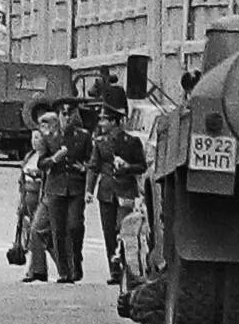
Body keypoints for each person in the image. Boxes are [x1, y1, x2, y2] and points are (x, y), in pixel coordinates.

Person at [88, 96, 148, 286]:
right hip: (106, 192)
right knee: (108, 232)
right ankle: (114, 271)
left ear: (115, 121)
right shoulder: (100, 142)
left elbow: (142, 166)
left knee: (122, 230)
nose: (101, 123)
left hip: (125, 191)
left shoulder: (131, 141)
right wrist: (89, 190)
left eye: (105, 119)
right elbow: (94, 166)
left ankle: (126, 268)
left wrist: (127, 168)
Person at [37, 98, 92, 283]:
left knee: (75, 225)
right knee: (57, 230)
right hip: (55, 188)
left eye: (70, 113)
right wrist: (54, 159)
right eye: (63, 113)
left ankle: (76, 260)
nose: (67, 117)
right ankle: (64, 271)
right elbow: (41, 163)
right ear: (58, 116)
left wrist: (84, 168)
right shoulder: (49, 137)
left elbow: (91, 162)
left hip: (75, 187)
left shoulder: (83, 136)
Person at [20, 112, 60, 282]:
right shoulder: (29, 156)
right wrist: (20, 204)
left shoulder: (48, 154)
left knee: (40, 235)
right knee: (36, 235)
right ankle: (38, 269)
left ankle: (40, 270)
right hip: (28, 199)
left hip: (43, 199)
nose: (35, 141)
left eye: (37, 138)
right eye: (33, 138)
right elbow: (22, 181)